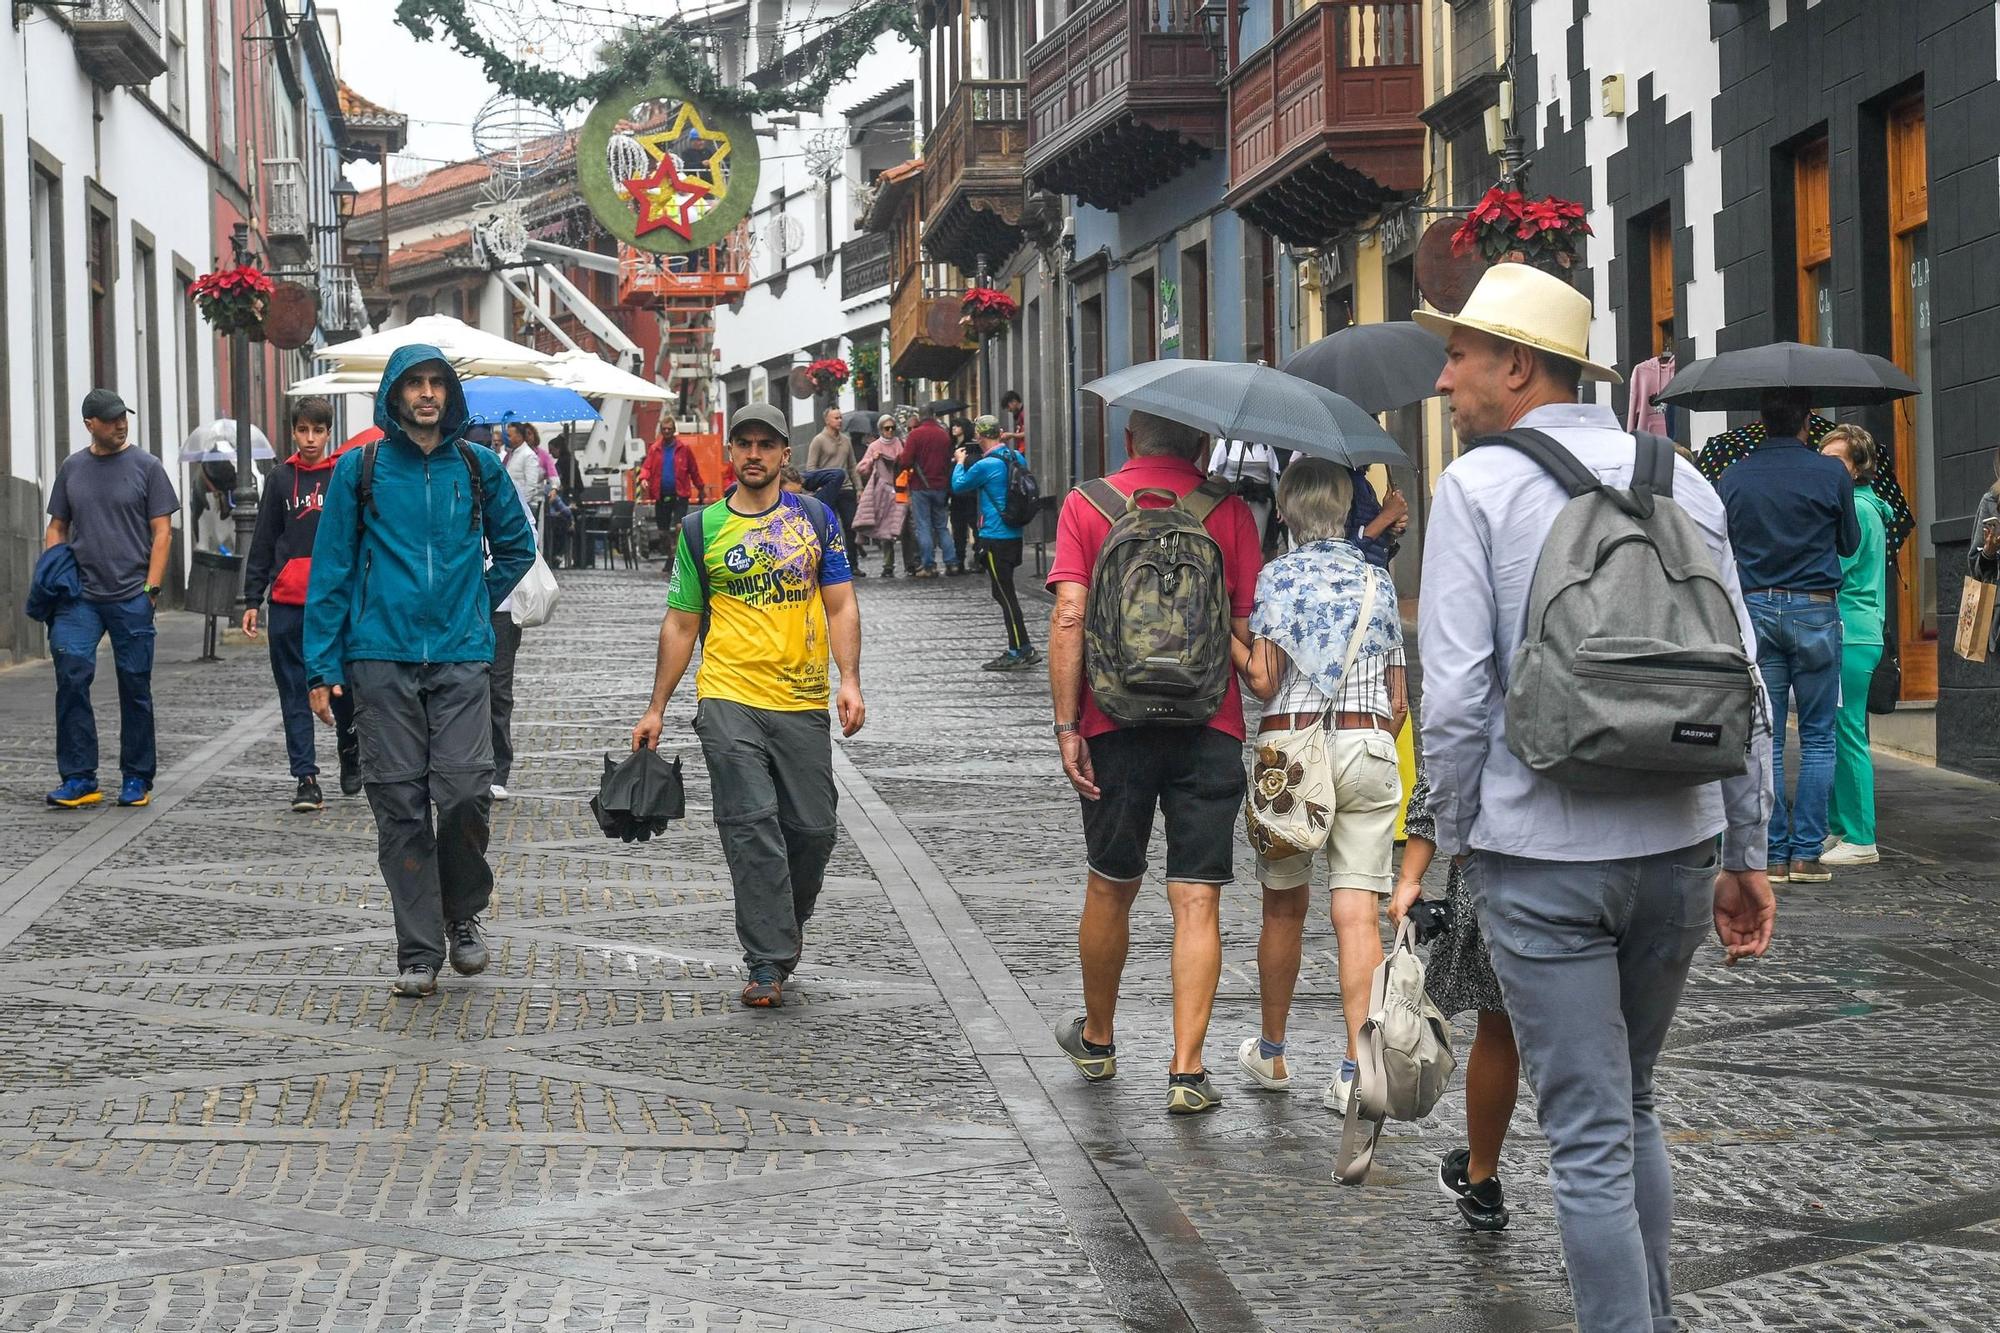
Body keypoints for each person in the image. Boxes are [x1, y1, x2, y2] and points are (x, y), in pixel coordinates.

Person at [1416, 263, 1775, 1333]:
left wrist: (1451, 839)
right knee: (1635, 1105)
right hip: (1677, 841)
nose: (1444, 381)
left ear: (1516, 364)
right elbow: (1742, 676)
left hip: (1538, 852)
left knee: (1583, 1134)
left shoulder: (1476, 488)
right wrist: (1744, 848)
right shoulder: (1684, 480)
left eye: (1459, 355)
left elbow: (1451, 695)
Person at [303, 345, 538, 999]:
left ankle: (461, 911)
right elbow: (332, 570)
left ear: (450, 395)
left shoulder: (478, 464)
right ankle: (419, 949)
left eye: (437, 383)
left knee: (465, 790)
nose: (427, 393)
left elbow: (518, 546)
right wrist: (321, 666)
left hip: (462, 654)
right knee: (400, 804)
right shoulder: (362, 469)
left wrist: (475, 594)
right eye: (415, 383)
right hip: (381, 655)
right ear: (395, 393)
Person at [1047, 410, 1263, 1116]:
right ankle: (1187, 1069)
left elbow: (1070, 617)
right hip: (1210, 723)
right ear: (1201, 448)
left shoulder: (1087, 504)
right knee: (1197, 896)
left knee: (1111, 884)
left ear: (1129, 441)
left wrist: (1068, 723)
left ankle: (1100, 1039)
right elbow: (1244, 628)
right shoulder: (1227, 510)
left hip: (1114, 721)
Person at [631, 403, 865, 1009]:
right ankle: (766, 959)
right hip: (727, 695)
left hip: (802, 699)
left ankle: (783, 921)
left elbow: (839, 604)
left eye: (767, 444)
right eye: (745, 444)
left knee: (813, 830)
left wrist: (851, 679)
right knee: (752, 824)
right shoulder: (700, 530)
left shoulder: (815, 519)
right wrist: (657, 706)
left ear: (786, 454)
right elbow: (682, 623)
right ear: (730, 455)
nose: (755, 454)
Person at [1230, 461, 1407, 1118]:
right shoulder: (1378, 580)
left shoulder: (1279, 577)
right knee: (1357, 914)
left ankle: (1273, 1052)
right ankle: (1353, 1072)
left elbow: (1263, 680)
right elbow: (1399, 697)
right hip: (1367, 746)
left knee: (1283, 907)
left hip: (1293, 760)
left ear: (1286, 513)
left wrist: (1228, 635)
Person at [1714, 388, 1858, 885]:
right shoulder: (1832, 473)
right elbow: (1849, 542)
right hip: (1815, 609)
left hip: (1755, 609)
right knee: (1818, 737)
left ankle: (1771, 855)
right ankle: (1805, 855)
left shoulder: (1733, 476)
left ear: (1761, 420)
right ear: (1807, 421)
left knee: (1765, 739)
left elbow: (1721, 546)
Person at [1391, 751, 1518, 1232]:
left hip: (1502, 862)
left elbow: (1448, 759)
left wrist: (1410, 877)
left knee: (1499, 1024)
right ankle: (1602, 1203)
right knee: (1595, 1037)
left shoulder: (1490, 671)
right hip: (1615, 859)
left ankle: (1482, 1179)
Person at [42, 389, 178, 810]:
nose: (121, 424)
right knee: (71, 673)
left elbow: (162, 531)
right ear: (90, 424)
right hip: (79, 597)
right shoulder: (73, 469)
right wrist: (54, 574)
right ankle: (79, 777)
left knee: (134, 684)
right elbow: (57, 526)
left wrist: (151, 590)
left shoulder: (147, 467)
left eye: (123, 417)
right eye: (111, 418)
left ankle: (137, 777)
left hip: (131, 594)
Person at [241, 395, 359, 812]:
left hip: (332, 604)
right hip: (289, 602)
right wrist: (252, 596)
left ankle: (350, 744)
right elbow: (264, 538)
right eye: (303, 430)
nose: (310, 439)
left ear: (329, 433)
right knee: (293, 691)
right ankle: (306, 778)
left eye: (318, 430)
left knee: (342, 684)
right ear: (293, 431)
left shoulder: (342, 476)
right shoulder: (278, 480)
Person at [1820, 425, 1894, 867]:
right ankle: (1841, 826)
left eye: (1836, 459)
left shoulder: (1860, 510)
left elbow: (1836, 567)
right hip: (1849, 629)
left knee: (1848, 733)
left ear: (1858, 467)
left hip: (1851, 630)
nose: (1826, 465)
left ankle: (1861, 836)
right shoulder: (1856, 506)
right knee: (1832, 731)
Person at [490, 424, 549, 803]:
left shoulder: (507, 493)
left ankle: (497, 767)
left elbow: (528, 540)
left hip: (502, 606)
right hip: (458, 604)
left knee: (497, 688)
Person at [951, 415, 1038, 672]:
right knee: (1004, 592)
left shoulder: (985, 465)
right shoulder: (1015, 457)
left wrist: (959, 462)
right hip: (1014, 535)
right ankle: (1022, 646)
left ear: (979, 436)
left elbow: (958, 485)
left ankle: (1020, 650)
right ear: (1000, 433)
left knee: (1005, 594)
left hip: (994, 537)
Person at [900, 405, 957, 576]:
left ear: (920, 416)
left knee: (923, 526)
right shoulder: (943, 435)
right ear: (934, 415)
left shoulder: (915, 435)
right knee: (942, 527)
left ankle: (929, 565)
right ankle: (951, 563)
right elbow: (949, 460)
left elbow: (906, 461)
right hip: (941, 486)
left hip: (920, 487)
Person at [853, 417, 908, 578]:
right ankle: (888, 564)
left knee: (905, 528)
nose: (890, 431)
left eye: (892, 428)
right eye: (886, 428)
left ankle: (911, 563)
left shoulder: (900, 443)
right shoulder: (874, 446)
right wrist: (872, 459)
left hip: (901, 488)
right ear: (880, 429)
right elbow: (860, 468)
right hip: (882, 492)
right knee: (886, 529)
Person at [805, 407, 860, 556]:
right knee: (828, 526)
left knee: (850, 526)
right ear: (827, 420)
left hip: (846, 489)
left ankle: (853, 563)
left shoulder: (846, 440)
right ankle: (830, 560)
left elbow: (852, 466)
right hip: (828, 489)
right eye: (836, 418)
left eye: (841, 417)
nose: (840, 420)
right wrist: (816, 488)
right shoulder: (818, 440)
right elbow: (811, 467)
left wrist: (859, 488)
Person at [1208, 438, 1278, 550]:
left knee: (1256, 540)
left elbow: (1273, 477)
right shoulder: (1227, 443)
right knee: (1231, 538)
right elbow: (1215, 472)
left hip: (1259, 499)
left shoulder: (1265, 445)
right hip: (1233, 497)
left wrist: (1278, 501)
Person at [945, 417, 979, 576]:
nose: (954, 428)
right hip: (957, 495)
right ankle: (959, 560)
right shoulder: (951, 447)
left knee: (974, 526)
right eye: (953, 425)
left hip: (970, 494)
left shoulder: (970, 447)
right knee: (958, 530)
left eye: (957, 425)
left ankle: (978, 558)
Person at [999, 389, 1028, 458]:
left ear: (1014, 401)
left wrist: (1011, 435)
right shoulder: (1019, 414)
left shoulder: (1023, 414)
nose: (1009, 410)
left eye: (1008, 406)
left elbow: (1027, 432)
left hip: (1024, 448)